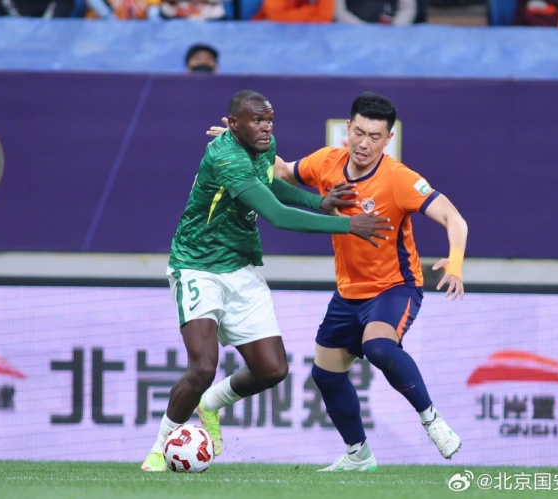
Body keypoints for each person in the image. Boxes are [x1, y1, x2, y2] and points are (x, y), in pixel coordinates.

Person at [199, 91, 467, 471]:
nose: (364, 143)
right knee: (325, 375)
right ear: (348, 128)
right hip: (347, 294)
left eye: (375, 136)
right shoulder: (327, 162)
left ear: (388, 138)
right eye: (359, 132)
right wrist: (237, 143)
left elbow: (455, 218)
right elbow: (281, 171)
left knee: (378, 347)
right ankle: (359, 455)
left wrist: (455, 262)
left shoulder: (398, 179)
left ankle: (431, 420)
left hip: (394, 287)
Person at [140, 90, 393, 472]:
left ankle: (210, 404)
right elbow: (276, 215)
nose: (266, 128)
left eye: (269, 120)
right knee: (203, 367)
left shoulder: (263, 147)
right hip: (198, 265)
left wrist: (316, 201)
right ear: (233, 124)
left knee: (272, 369)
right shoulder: (225, 157)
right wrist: (347, 225)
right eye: (257, 120)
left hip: (241, 266)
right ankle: (160, 449)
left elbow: (268, 184)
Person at [252, 0, 334, 22]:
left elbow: (324, 17)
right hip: (273, 33)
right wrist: (311, 10)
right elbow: (277, 17)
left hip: (312, 34)